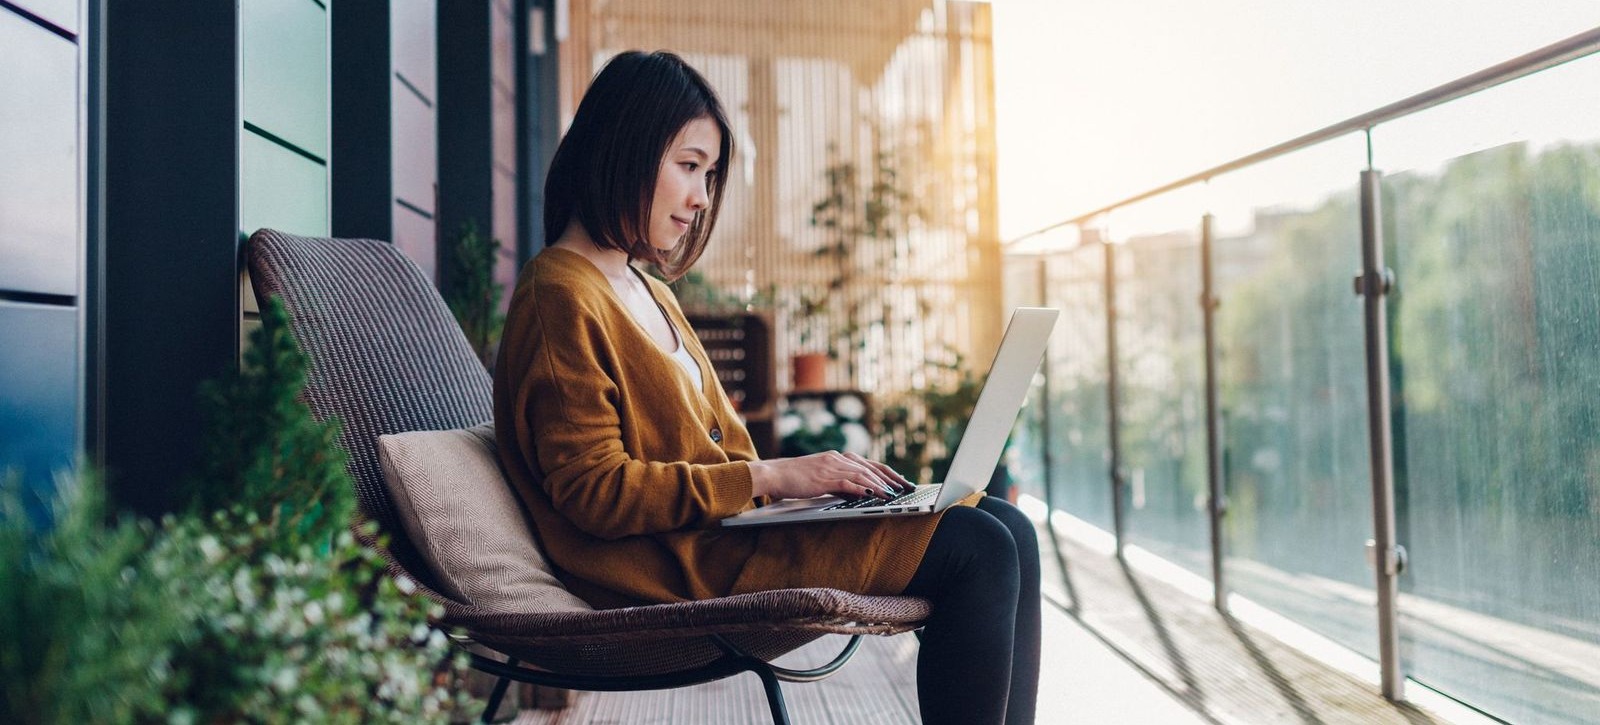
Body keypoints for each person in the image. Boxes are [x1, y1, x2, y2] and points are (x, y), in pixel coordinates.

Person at [493, 50, 1040, 725]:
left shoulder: (646, 289)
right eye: (688, 166)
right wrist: (774, 477)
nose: (701, 197)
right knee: (979, 547)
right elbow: (594, 492)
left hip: (726, 538)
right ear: (623, 150)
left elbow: (716, 457)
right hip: (674, 569)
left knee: (1010, 526)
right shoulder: (560, 295)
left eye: (708, 174)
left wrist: (806, 498)